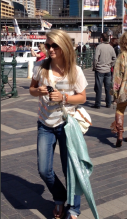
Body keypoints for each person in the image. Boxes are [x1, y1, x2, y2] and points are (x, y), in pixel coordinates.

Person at [29, 29, 88, 219]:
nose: (50, 49)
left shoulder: (74, 70)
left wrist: (64, 97)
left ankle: (74, 209)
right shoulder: (40, 66)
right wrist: (38, 91)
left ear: (64, 46)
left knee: (69, 168)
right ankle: (60, 196)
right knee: (44, 169)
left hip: (66, 125)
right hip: (45, 124)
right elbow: (31, 89)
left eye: (54, 45)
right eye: (48, 45)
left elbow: (82, 97)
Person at [92, 32, 116, 108]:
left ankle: (98, 104)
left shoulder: (99, 47)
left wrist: (95, 67)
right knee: (108, 88)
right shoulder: (111, 47)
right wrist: (110, 65)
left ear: (101, 39)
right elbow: (114, 58)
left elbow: (96, 59)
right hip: (108, 70)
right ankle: (108, 103)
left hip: (99, 70)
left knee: (98, 88)